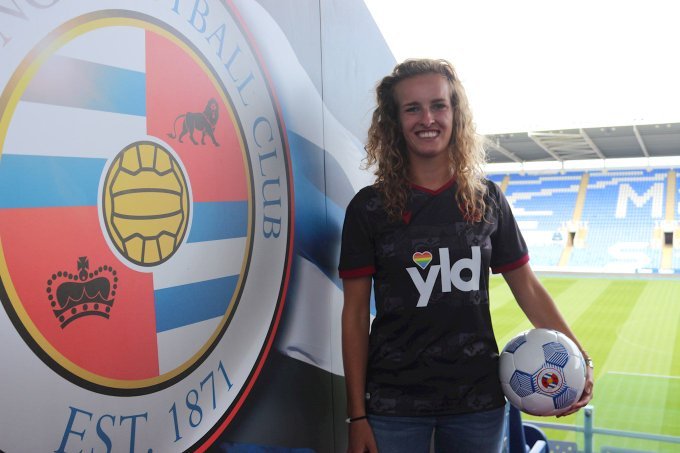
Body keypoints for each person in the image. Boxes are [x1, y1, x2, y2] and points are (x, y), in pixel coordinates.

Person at [338, 59, 594, 453]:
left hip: (477, 402)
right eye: (413, 108)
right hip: (393, 404)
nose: (428, 118)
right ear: (394, 120)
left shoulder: (487, 198)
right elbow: (354, 315)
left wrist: (580, 360)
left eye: (439, 105)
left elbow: (526, 286)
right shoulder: (368, 209)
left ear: (456, 113)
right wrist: (357, 415)